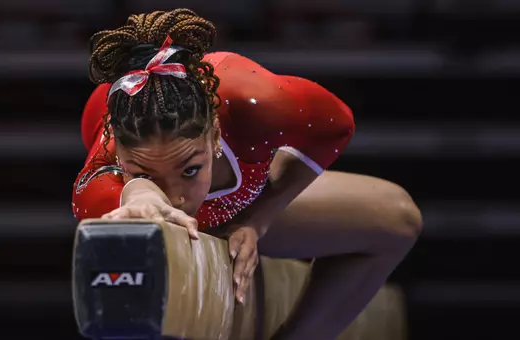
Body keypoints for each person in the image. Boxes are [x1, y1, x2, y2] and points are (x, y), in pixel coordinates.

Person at [72, 8, 422, 340]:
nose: (177, 198)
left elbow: (335, 125)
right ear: (117, 151)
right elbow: (90, 203)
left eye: (190, 170)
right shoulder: (108, 159)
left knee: (397, 219)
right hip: (159, 220)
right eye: (146, 171)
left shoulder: (256, 103)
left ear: (214, 135)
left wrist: (258, 219)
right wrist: (135, 191)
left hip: (240, 214)